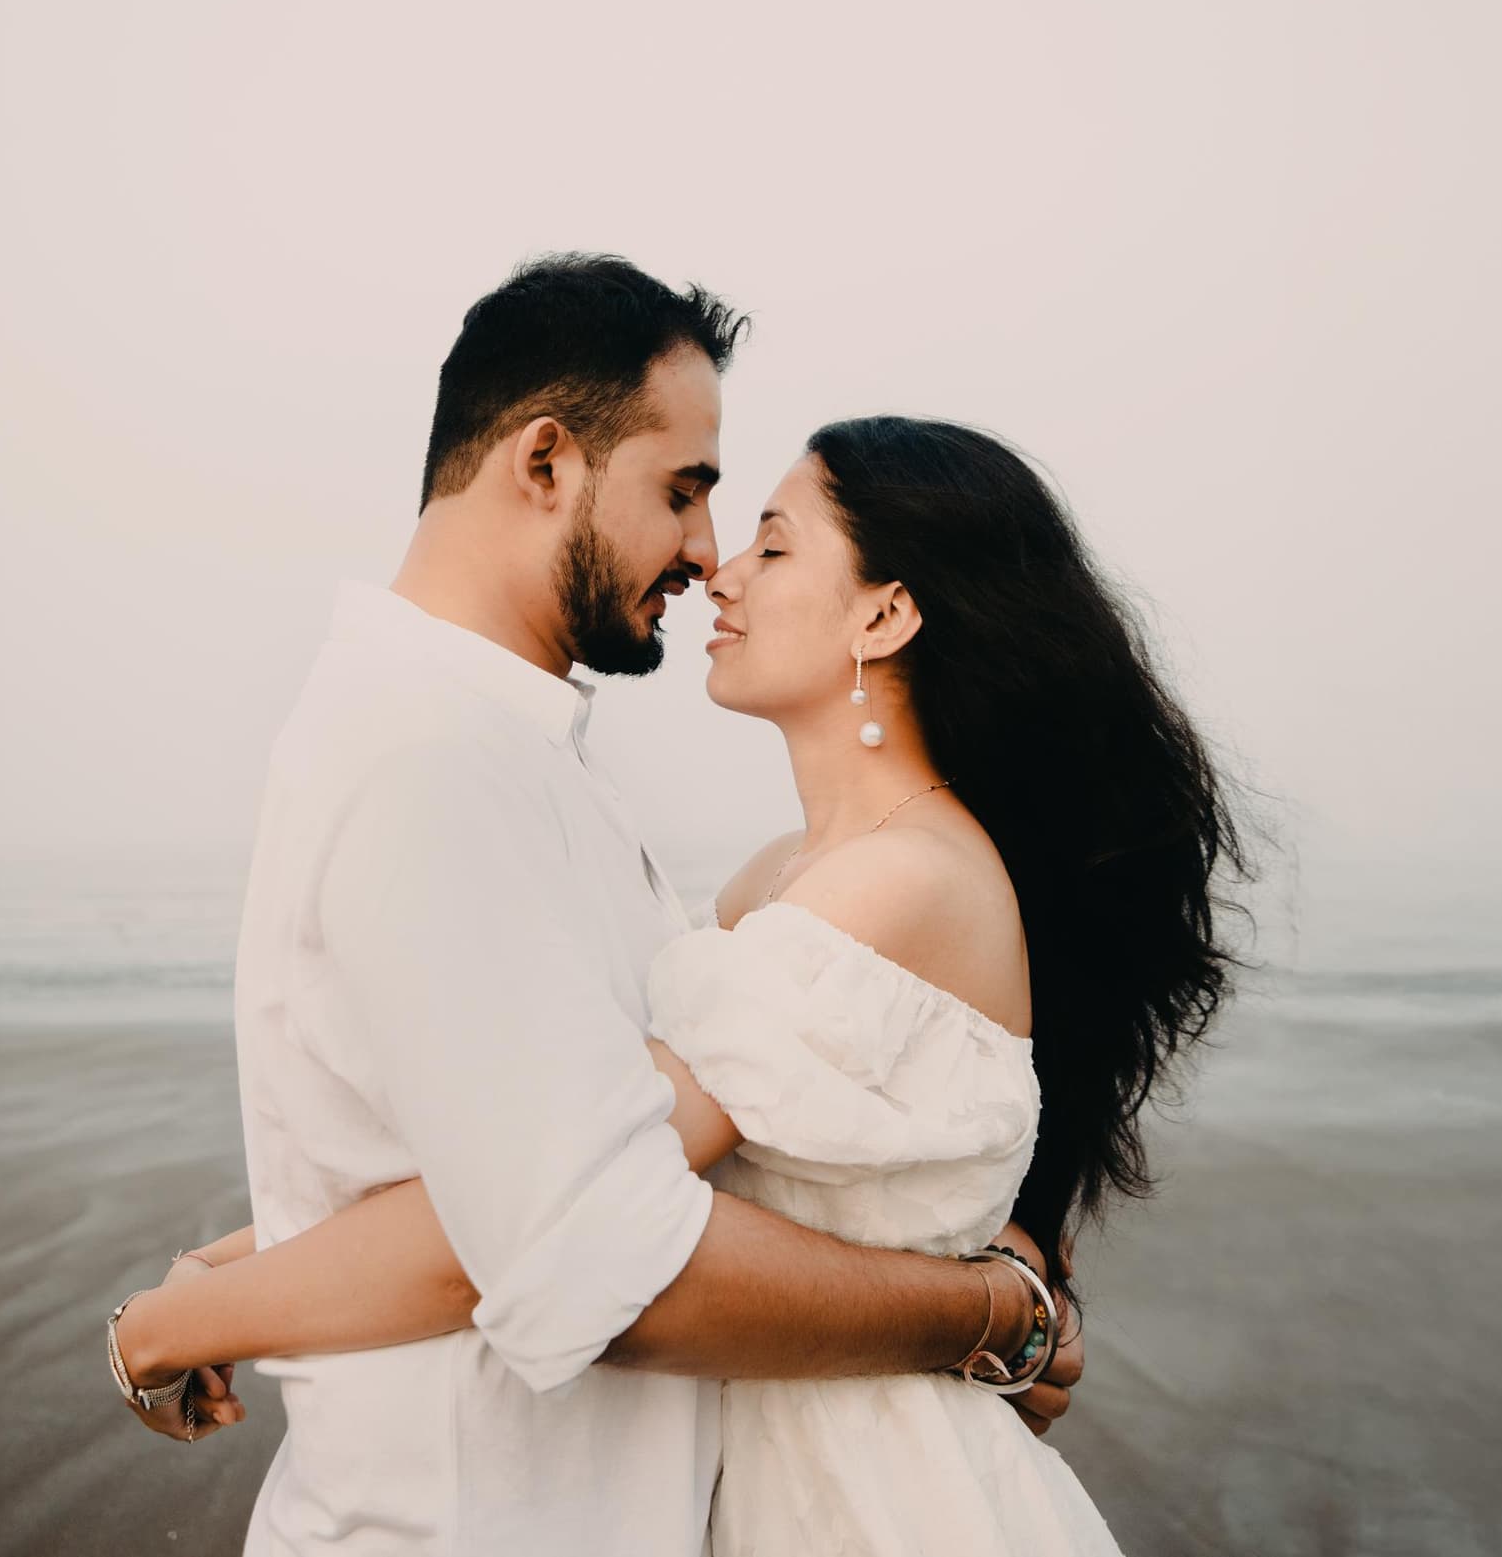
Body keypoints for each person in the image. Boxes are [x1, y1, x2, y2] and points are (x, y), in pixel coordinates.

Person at [106, 256, 1245, 1552]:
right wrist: (220, 1278)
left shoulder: (877, 872)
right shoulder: (472, 772)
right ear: (545, 464)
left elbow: (556, 1175)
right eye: (694, 495)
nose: (713, 561)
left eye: (765, 532)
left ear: (886, 607)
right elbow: (553, 1174)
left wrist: (199, 1309)